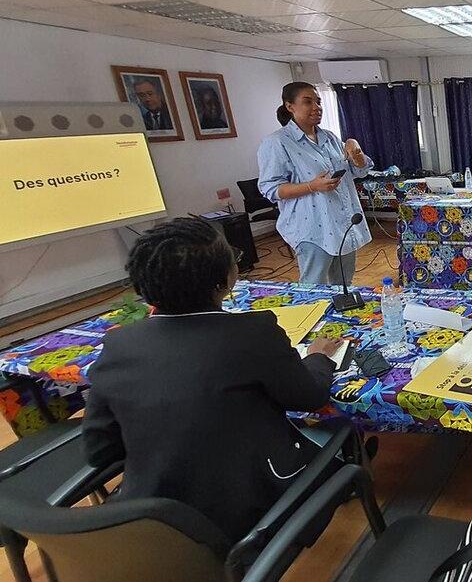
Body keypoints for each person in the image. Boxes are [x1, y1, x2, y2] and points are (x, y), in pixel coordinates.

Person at [81, 218, 342, 542]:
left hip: (150, 525)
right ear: (225, 280)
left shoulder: (119, 344)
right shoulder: (254, 333)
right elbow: (311, 397)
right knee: (336, 435)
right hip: (250, 518)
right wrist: (319, 357)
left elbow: (100, 451)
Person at [258, 81, 373, 285]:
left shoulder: (330, 138)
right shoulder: (277, 142)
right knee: (313, 287)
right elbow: (270, 188)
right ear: (290, 106)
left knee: (344, 285)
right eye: (308, 102)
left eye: (318, 101)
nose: (316, 107)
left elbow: (360, 171)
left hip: (343, 223)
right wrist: (312, 186)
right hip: (312, 228)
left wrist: (355, 148)